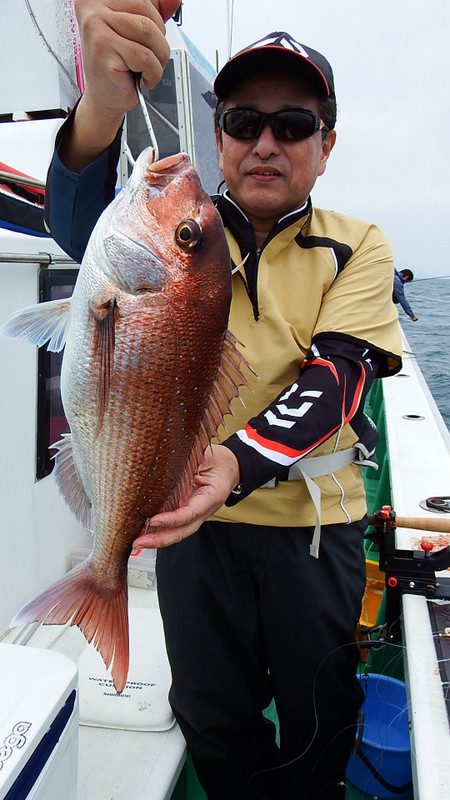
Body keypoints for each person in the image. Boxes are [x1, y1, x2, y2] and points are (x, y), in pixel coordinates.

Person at [45, 3, 402, 798]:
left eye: (293, 123)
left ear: (326, 144)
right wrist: (99, 111)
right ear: (221, 137)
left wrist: (233, 463)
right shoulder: (187, 230)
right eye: (243, 121)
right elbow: (79, 229)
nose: (266, 141)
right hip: (189, 530)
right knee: (210, 713)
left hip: (315, 527)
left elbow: (339, 378)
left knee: (321, 714)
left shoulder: (360, 244)